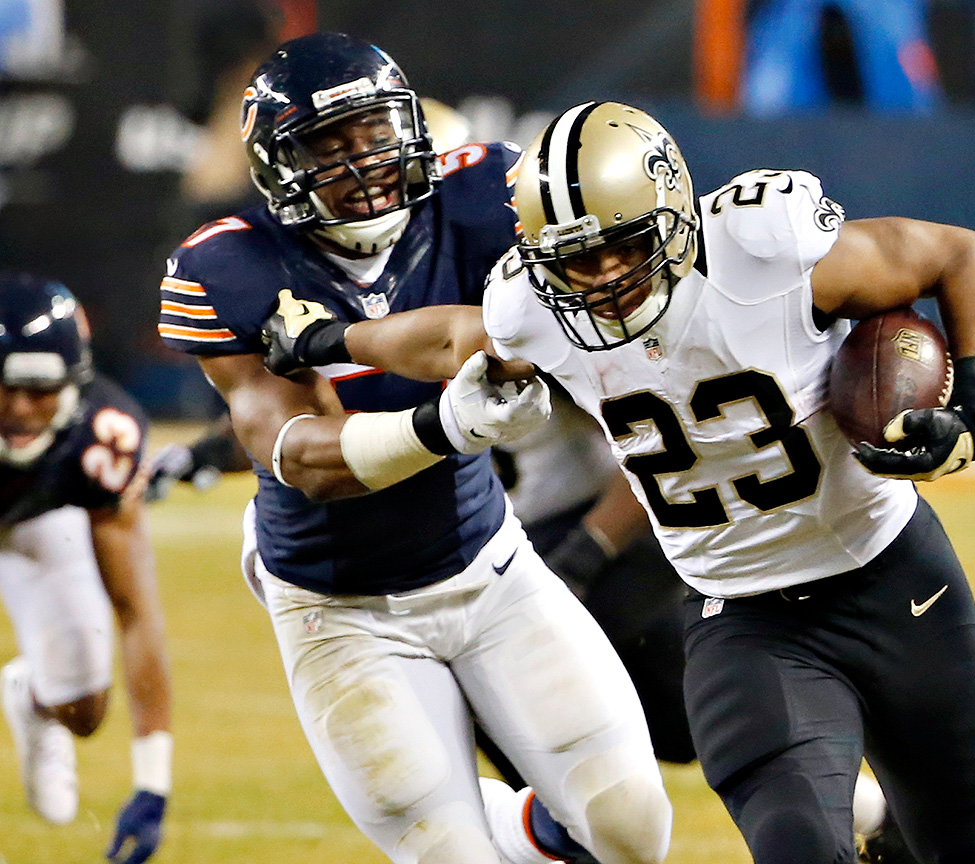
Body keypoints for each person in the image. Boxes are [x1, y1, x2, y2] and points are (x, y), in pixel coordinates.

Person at [266, 101, 975, 864]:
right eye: (573, 261)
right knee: (799, 845)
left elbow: (964, 256)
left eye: (621, 248)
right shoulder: (537, 309)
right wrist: (331, 337)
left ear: (674, 215)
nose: (601, 279)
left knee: (965, 834)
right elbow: (452, 337)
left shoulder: (765, 247)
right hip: (746, 617)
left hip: (896, 574)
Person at [155, 35, 671, 864]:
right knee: (451, 855)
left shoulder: (480, 196)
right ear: (278, 165)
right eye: (329, 145)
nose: (363, 163)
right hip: (342, 605)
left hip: (489, 567)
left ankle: (523, 829)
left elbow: (505, 332)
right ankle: (491, 832)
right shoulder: (228, 264)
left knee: (631, 825)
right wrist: (445, 427)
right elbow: (296, 453)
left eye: (374, 132)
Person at [0, 274, 172, 864]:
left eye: (39, 389)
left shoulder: (103, 434)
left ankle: (37, 700)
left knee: (86, 710)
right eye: (4, 388)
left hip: (36, 516)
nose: (21, 409)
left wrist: (153, 781)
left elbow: (135, 610)